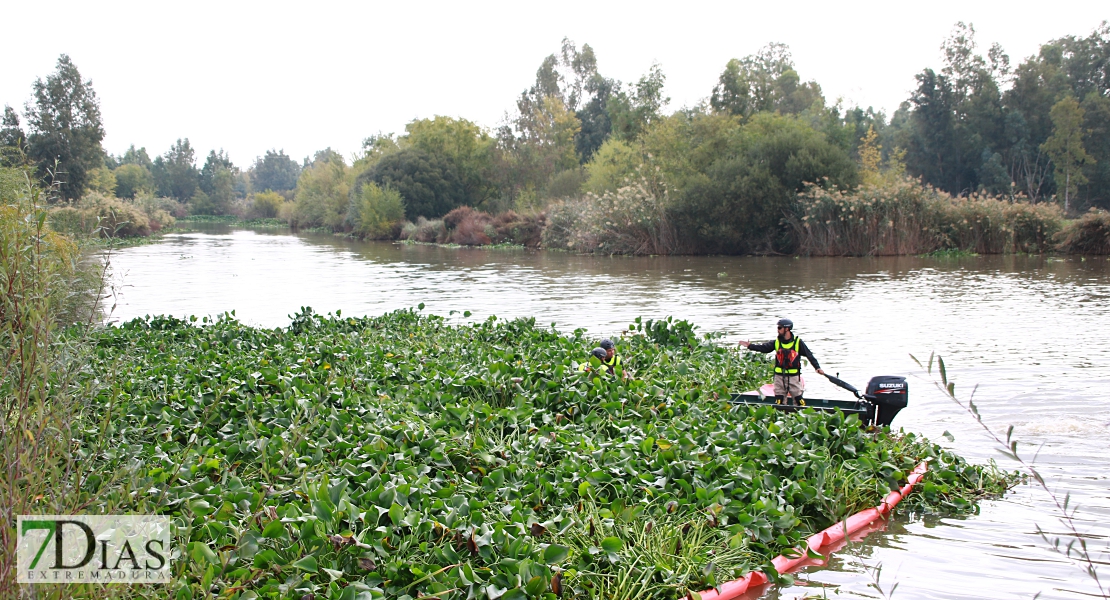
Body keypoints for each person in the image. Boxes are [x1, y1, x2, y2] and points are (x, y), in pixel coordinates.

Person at [738, 318, 824, 405]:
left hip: (793, 376)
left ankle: (799, 414)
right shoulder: (776, 342)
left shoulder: (798, 342)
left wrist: (817, 368)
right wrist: (750, 346)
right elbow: (763, 348)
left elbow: (810, 355)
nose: (778, 330)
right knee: (779, 400)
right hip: (779, 376)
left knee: (798, 400)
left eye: (780, 328)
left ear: (787, 329)